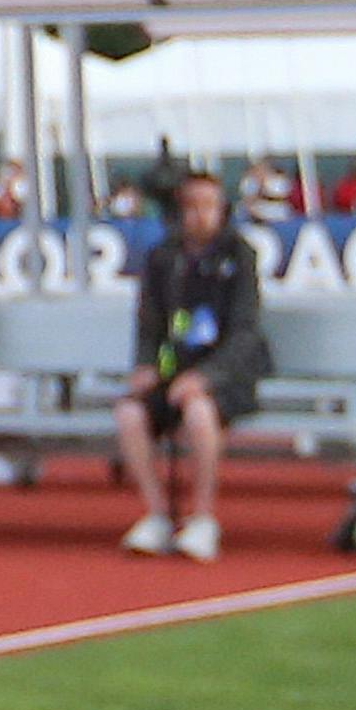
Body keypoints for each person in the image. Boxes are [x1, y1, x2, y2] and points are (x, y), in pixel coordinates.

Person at [115, 171, 267, 563]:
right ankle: (157, 513)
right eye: (192, 206)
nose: (200, 215)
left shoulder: (240, 257)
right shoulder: (163, 258)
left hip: (225, 375)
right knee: (130, 413)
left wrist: (206, 376)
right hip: (172, 370)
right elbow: (149, 324)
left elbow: (245, 332)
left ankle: (202, 517)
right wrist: (146, 366)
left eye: (209, 206)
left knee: (200, 412)